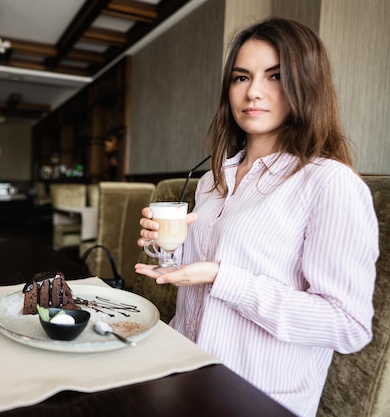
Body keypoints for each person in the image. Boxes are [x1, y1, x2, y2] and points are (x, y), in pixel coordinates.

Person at [135, 17, 379, 417]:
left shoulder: (329, 183)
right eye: (241, 77)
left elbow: (347, 326)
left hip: (253, 398)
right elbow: (202, 273)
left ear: (306, 84)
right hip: (179, 373)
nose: (253, 91)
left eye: (276, 76)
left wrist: (223, 277)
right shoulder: (214, 182)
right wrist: (167, 248)